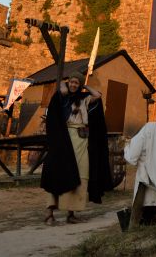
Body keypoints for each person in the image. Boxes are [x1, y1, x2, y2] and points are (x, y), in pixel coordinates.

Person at [40, 71, 110, 226]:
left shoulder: (84, 98)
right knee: (58, 172)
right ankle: (49, 214)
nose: (73, 85)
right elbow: (53, 115)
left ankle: (71, 213)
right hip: (63, 139)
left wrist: (84, 85)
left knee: (81, 173)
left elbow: (97, 95)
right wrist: (62, 86)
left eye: (76, 83)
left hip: (81, 139)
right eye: (71, 82)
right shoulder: (61, 97)